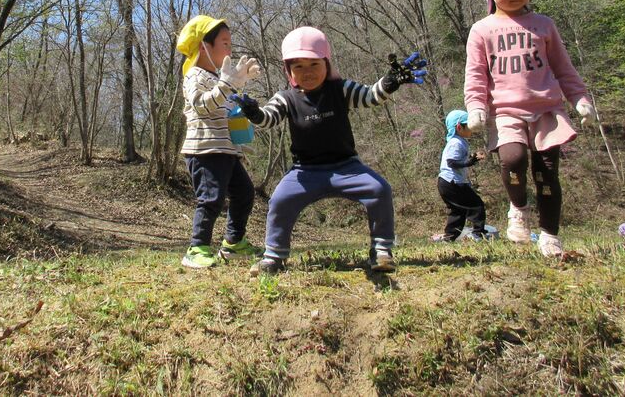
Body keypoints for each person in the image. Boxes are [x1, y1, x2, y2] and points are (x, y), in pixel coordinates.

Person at [232, 26, 427, 274]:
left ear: (327, 63)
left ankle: (381, 249)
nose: (308, 72)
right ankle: (274, 256)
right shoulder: (286, 98)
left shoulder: (340, 89)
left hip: (347, 167)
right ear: (288, 70)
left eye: (314, 64)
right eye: (298, 66)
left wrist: (390, 82)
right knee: (280, 200)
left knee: (380, 190)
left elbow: (369, 96)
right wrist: (254, 113)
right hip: (305, 172)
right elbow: (268, 118)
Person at [464, 0, 597, 258]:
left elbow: (563, 67)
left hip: (546, 109)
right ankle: (518, 208)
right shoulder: (482, 30)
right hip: (506, 111)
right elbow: (476, 74)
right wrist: (476, 106)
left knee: (547, 172)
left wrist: (580, 98)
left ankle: (550, 235)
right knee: (513, 159)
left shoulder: (544, 25)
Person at [176, 14, 263, 269]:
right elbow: (202, 105)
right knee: (211, 198)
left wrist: (239, 86)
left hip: (227, 150)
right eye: (225, 43)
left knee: (244, 193)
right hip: (205, 150)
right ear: (205, 45)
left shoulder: (216, 77)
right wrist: (227, 84)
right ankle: (197, 248)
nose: (229, 50)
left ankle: (234, 243)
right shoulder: (194, 75)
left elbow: (223, 106)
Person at [435, 110, 487, 242]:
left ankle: (449, 238)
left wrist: (472, 158)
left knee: (457, 211)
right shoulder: (456, 143)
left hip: (446, 183)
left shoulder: (459, 141)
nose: (471, 128)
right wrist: (469, 162)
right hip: (452, 182)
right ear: (459, 127)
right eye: (468, 125)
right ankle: (478, 234)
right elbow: (451, 162)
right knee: (476, 205)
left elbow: (458, 160)